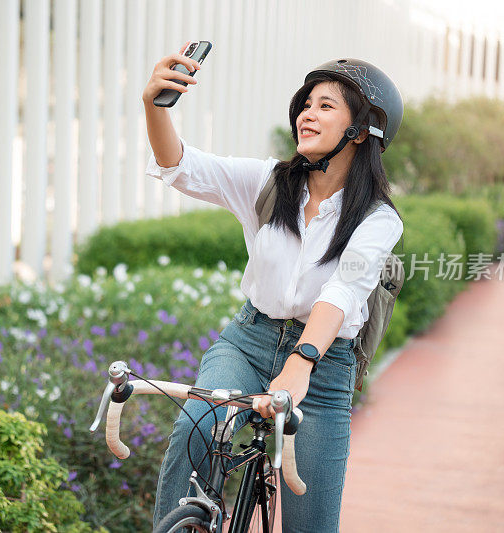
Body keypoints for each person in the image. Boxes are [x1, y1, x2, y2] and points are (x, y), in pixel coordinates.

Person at [143, 42, 405, 533]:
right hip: (248, 340)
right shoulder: (268, 182)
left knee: (310, 522)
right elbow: (180, 164)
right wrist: (152, 105)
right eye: (305, 104)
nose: (307, 113)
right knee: (194, 428)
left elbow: (344, 292)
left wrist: (301, 362)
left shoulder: (378, 219)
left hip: (323, 369)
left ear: (362, 130)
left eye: (325, 105)